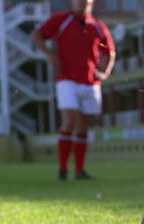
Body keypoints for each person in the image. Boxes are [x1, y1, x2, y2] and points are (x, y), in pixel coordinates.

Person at [32, 0, 115, 181]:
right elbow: (37, 34)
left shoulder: (98, 26)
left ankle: (79, 170)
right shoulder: (62, 20)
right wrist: (50, 56)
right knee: (69, 122)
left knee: (84, 126)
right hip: (67, 79)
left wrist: (105, 72)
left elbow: (110, 52)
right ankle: (62, 170)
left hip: (91, 82)